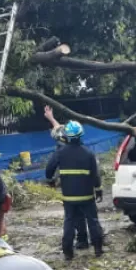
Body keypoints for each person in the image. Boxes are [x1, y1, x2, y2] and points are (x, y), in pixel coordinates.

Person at [45, 120, 104, 260]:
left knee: (69, 222)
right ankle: (98, 250)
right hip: (87, 196)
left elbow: (49, 169)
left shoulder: (60, 152)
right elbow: (95, 175)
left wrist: (51, 181)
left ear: (67, 136)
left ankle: (68, 252)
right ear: (81, 135)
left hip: (69, 197)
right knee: (93, 221)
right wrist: (99, 190)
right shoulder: (88, 153)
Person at [43, 105, 93, 251]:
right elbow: (58, 128)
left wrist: (50, 179)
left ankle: (75, 243)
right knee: (83, 214)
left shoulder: (61, 149)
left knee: (72, 216)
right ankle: (86, 239)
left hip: (70, 186)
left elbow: (49, 169)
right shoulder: (79, 147)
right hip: (83, 186)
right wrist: (51, 118)